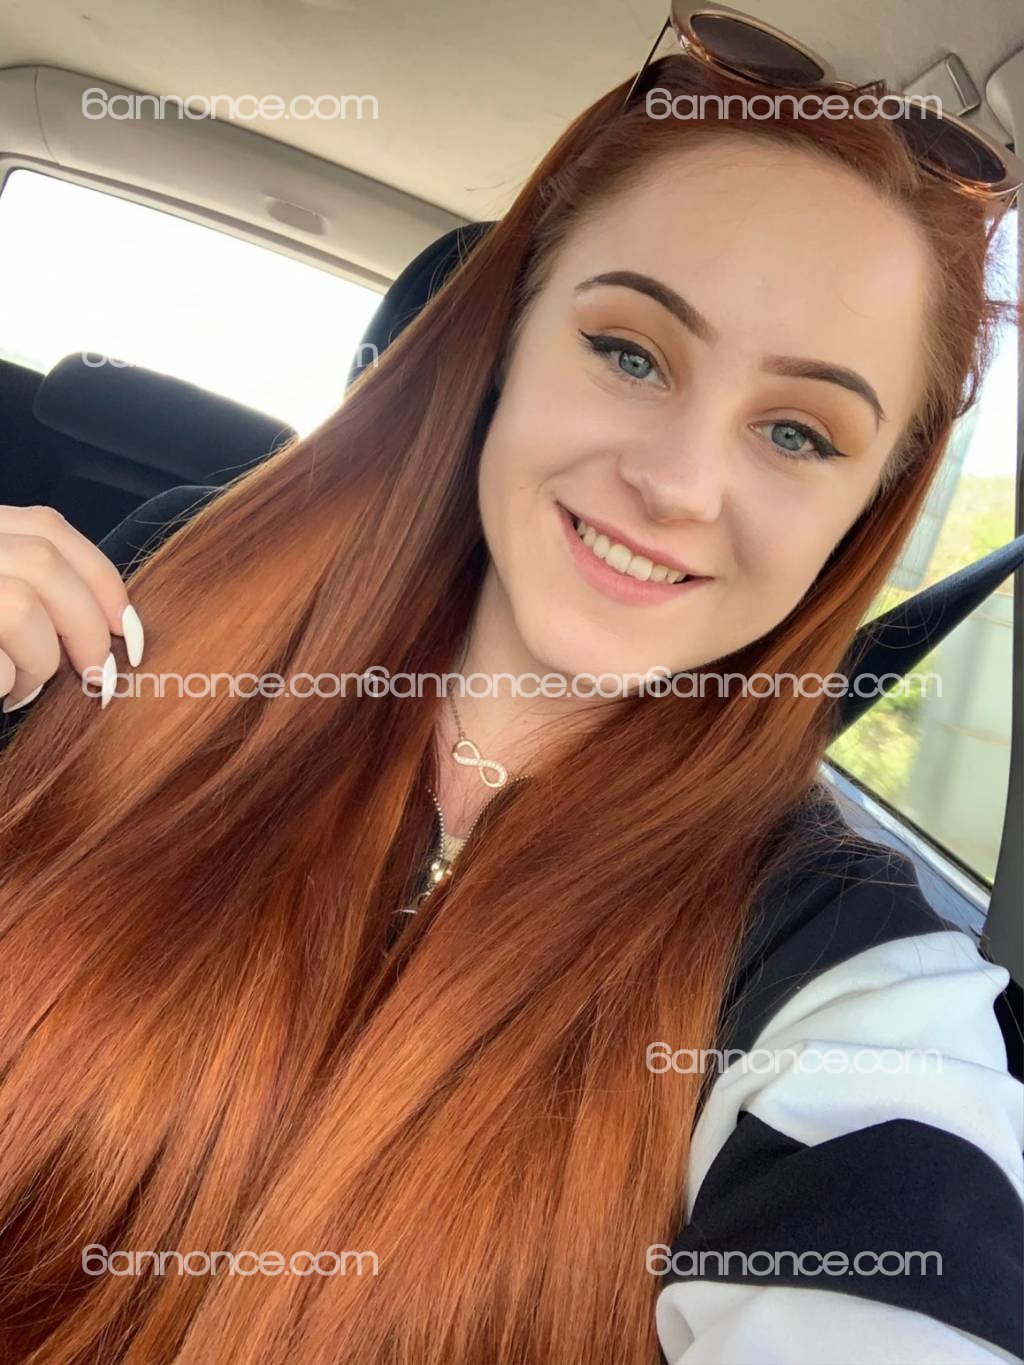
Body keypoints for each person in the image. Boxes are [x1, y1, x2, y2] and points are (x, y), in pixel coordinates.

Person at [0, 34, 1020, 1365]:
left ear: (866, 509)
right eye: (631, 353)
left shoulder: (844, 966)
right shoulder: (152, 613)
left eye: (797, 433)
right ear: (506, 340)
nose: (679, 484)